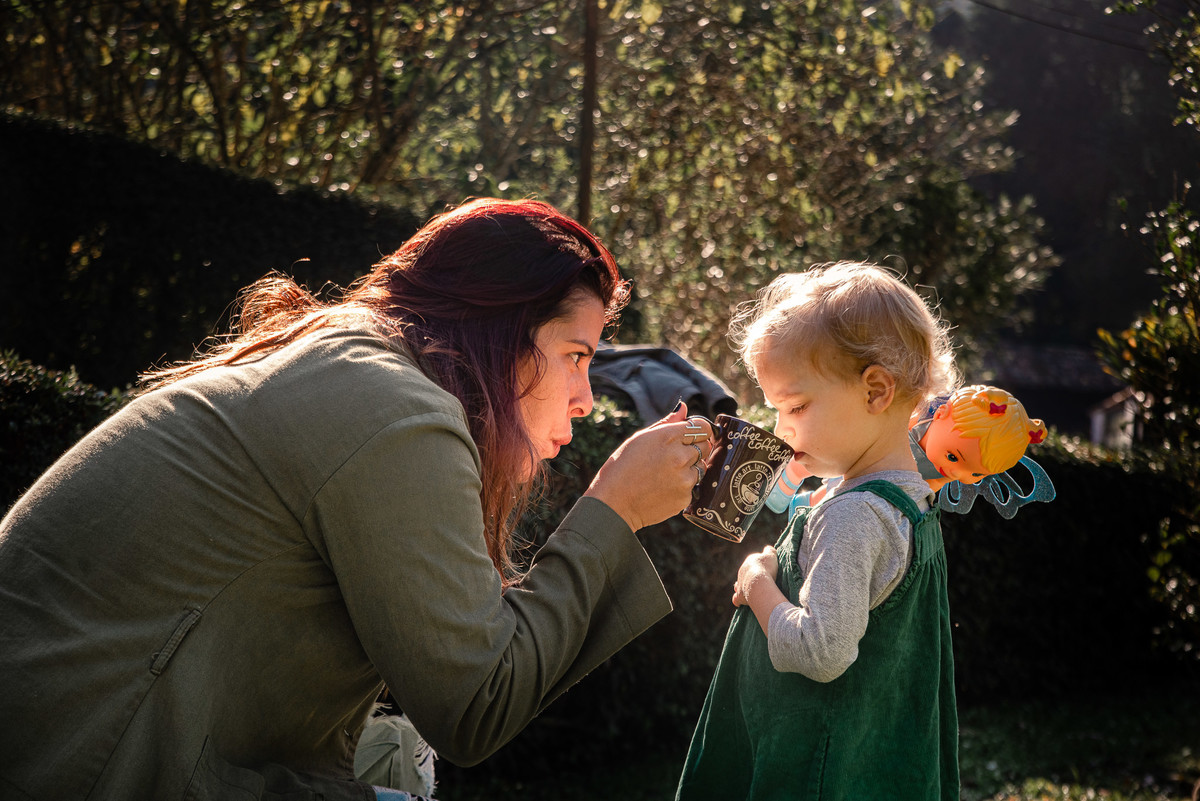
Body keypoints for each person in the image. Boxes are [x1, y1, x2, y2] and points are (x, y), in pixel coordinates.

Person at [0, 198, 716, 801]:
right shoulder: (397, 410)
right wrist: (614, 507)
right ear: (500, 329)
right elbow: (475, 703)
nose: (589, 398)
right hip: (90, 759)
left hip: (84, 734)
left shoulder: (357, 362)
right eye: (577, 355)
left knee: (397, 756)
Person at [676, 262, 961, 800]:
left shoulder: (854, 515)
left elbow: (821, 651)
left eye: (797, 406)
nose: (781, 428)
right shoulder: (905, 499)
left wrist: (758, 579)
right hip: (866, 765)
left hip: (813, 774)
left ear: (876, 390)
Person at [767, 383, 1048, 513]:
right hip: (863, 461)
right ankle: (790, 477)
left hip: (875, 487)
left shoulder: (943, 473)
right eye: (954, 457)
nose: (959, 473)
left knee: (831, 498)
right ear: (940, 415)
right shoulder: (914, 417)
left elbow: (925, 492)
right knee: (832, 464)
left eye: (976, 475)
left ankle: (803, 507)